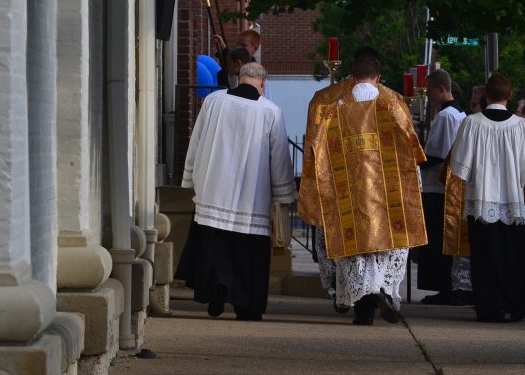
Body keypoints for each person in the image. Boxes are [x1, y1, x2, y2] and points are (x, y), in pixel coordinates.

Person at [299, 47, 427, 325]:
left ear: (352, 74)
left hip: (346, 192)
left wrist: (315, 187)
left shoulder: (327, 102)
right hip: (385, 191)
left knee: (352, 248)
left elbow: (314, 150)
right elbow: (410, 150)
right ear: (378, 76)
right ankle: (382, 292)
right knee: (383, 246)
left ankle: (358, 305)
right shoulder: (393, 102)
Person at [176, 63, 296, 321]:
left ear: (238, 79)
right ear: (262, 84)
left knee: (216, 247)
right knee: (247, 254)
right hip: (251, 197)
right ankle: (247, 306)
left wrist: (191, 178)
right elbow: (279, 159)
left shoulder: (213, 101)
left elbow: (196, 141)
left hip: (214, 190)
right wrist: (284, 196)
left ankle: (216, 292)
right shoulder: (271, 111)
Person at [447, 73, 525, 322]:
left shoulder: (472, 124)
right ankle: (514, 306)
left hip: (481, 201)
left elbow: (459, 168)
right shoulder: (521, 126)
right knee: (513, 257)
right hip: (511, 201)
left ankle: (489, 308)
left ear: (485, 96)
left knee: (485, 257)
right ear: (509, 97)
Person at [416, 69, 469, 306]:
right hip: (444, 186)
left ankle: (444, 288)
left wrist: (414, 157)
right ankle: (445, 287)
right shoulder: (459, 114)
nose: (429, 97)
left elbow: (439, 153)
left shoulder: (447, 116)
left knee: (438, 241)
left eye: (430, 92)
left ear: (440, 89)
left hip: (437, 187)